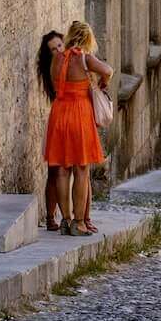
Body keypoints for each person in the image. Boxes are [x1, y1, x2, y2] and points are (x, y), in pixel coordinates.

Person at [44, 19, 112, 236]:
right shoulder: (84, 58)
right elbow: (108, 70)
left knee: (62, 170)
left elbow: (55, 83)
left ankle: (64, 220)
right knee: (81, 169)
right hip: (78, 113)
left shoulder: (56, 59)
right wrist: (103, 82)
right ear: (87, 39)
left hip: (59, 113)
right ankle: (79, 222)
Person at [35, 30, 67, 232]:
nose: (57, 50)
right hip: (58, 119)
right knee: (54, 170)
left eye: (59, 46)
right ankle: (50, 216)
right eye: (53, 49)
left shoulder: (70, 61)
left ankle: (67, 216)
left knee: (67, 170)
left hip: (68, 117)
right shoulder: (53, 68)